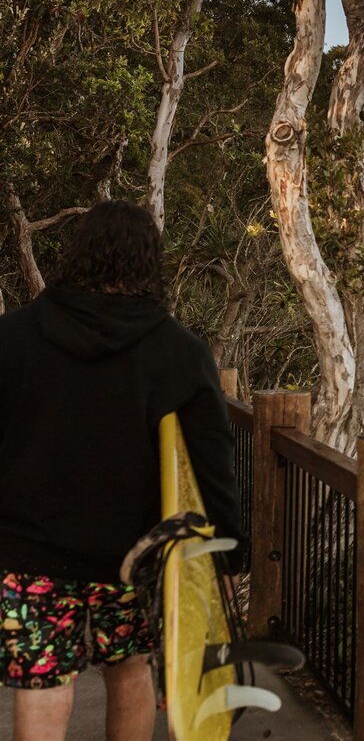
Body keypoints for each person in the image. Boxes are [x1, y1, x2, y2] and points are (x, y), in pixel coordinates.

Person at [0, 200, 242, 741]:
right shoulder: (180, 352)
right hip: (137, 556)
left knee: (41, 681)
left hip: (29, 550)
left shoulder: (11, 337)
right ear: (148, 263)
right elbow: (212, 464)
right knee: (130, 669)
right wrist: (228, 551)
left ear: (79, 254)